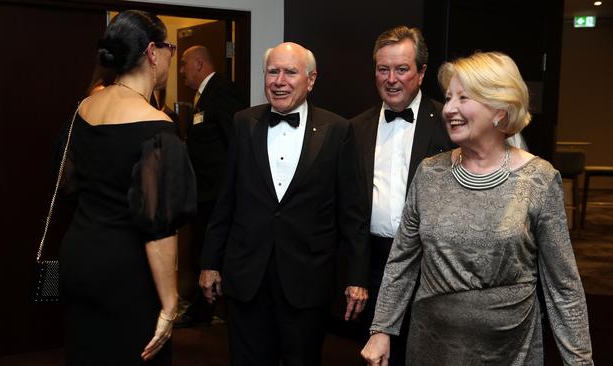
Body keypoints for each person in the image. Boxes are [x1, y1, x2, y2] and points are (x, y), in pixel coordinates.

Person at [361, 51, 593, 365]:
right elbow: (402, 261)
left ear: (500, 109)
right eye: (448, 97)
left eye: (464, 98)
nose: (450, 109)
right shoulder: (430, 173)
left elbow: (562, 284)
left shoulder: (539, 179)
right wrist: (381, 329)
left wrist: (578, 359)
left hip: (510, 351)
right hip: (431, 346)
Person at [199, 42, 370, 366]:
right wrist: (210, 262)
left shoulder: (337, 130)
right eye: (273, 71)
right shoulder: (243, 122)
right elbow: (227, 200)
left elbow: (353, 213)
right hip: (247, 276)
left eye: (290, 72)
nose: (280, 80)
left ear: (311, 79)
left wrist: (357, 278)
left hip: (307, 279)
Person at [58, 10, 196, 364]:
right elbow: (158, 228)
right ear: (152, 52)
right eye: (169, 48)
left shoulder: (85, 107)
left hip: (79, 258)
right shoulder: (157, 128)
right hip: (127, 272)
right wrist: (169, 304)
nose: (171, 56)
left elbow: (67, 184)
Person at [349, 26, 454, 365]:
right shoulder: (355, 128)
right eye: (383, 69)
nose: (391, 79)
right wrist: (356, 275)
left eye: (402, 69)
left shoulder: (449, 125)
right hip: (377, 268)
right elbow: (351, 210)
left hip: (432, 268)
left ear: (421, 73)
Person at [175, 45, 245, 327]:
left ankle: (206, 311)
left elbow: (235, 142)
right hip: (203, 193)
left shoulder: (221, 91)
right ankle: (201, 308)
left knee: (211, 252)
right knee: (201, 251)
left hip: (217, 194)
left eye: (184, 64)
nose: (180, 71)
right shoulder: (202, 95)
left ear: (200, 63)